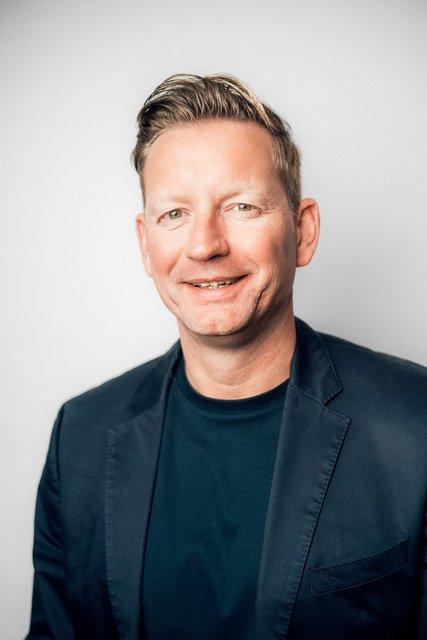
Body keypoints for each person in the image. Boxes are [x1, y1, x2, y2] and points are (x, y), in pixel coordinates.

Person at [25, 73, 426, 640]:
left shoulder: (416, 424)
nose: (205, 244)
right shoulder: (80, 437)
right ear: (145, 243)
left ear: (303, 231)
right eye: (174, 214)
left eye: (241, 206)